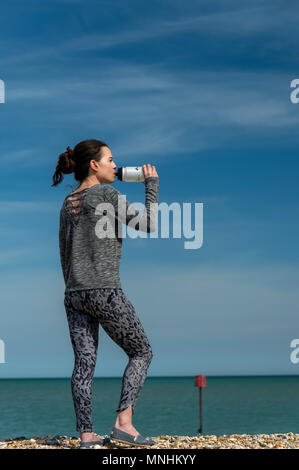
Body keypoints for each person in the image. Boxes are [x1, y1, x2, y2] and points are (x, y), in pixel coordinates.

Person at [51, 139, 159, 447]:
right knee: (142, 352)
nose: (115, 165)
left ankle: (86, 435)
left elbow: (63, 252)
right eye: (110, 159)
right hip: (105, 291)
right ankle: (124, 423)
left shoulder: (68, 201)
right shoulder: (105, 193)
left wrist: (75, 287)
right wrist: (151, 185)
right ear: (94, 165)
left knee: (84, 364)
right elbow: (148, 224)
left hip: (74, 294)